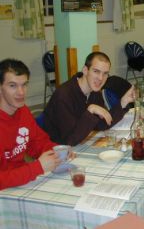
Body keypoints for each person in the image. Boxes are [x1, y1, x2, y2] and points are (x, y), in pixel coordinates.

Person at [0, 59, 69, 190]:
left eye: (24, 84)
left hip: (22, 180)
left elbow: (37, 142)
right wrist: (37, 167)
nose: (21, 92)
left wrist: (57, 151)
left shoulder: (23, 111)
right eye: (12, 85)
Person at [43, 52, 135, 146]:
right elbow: (69, 140)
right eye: (96, 71)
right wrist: (90, 110)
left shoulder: (94, 92)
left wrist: (123, 102)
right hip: (55, 150)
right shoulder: (63, 96)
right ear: (85, 70)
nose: (100, 78)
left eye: (105, 73)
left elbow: (101, 124)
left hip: (78, 143)